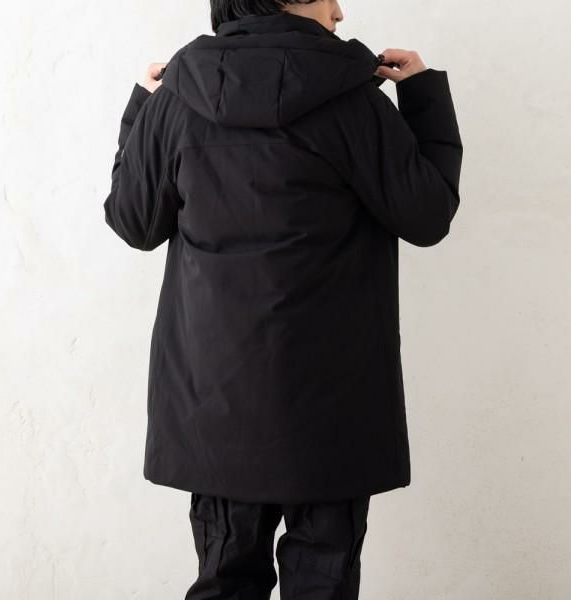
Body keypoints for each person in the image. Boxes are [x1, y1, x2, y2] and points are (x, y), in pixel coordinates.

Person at [103, 0, 463, 597]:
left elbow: (133, 221)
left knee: (224, 579)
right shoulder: (356, 101)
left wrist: (143, 104)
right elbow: (427, 216)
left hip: (214, 403)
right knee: (323, 584)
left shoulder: (178, 101)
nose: (340, 12)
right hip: (333, 409)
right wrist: (422, 96)